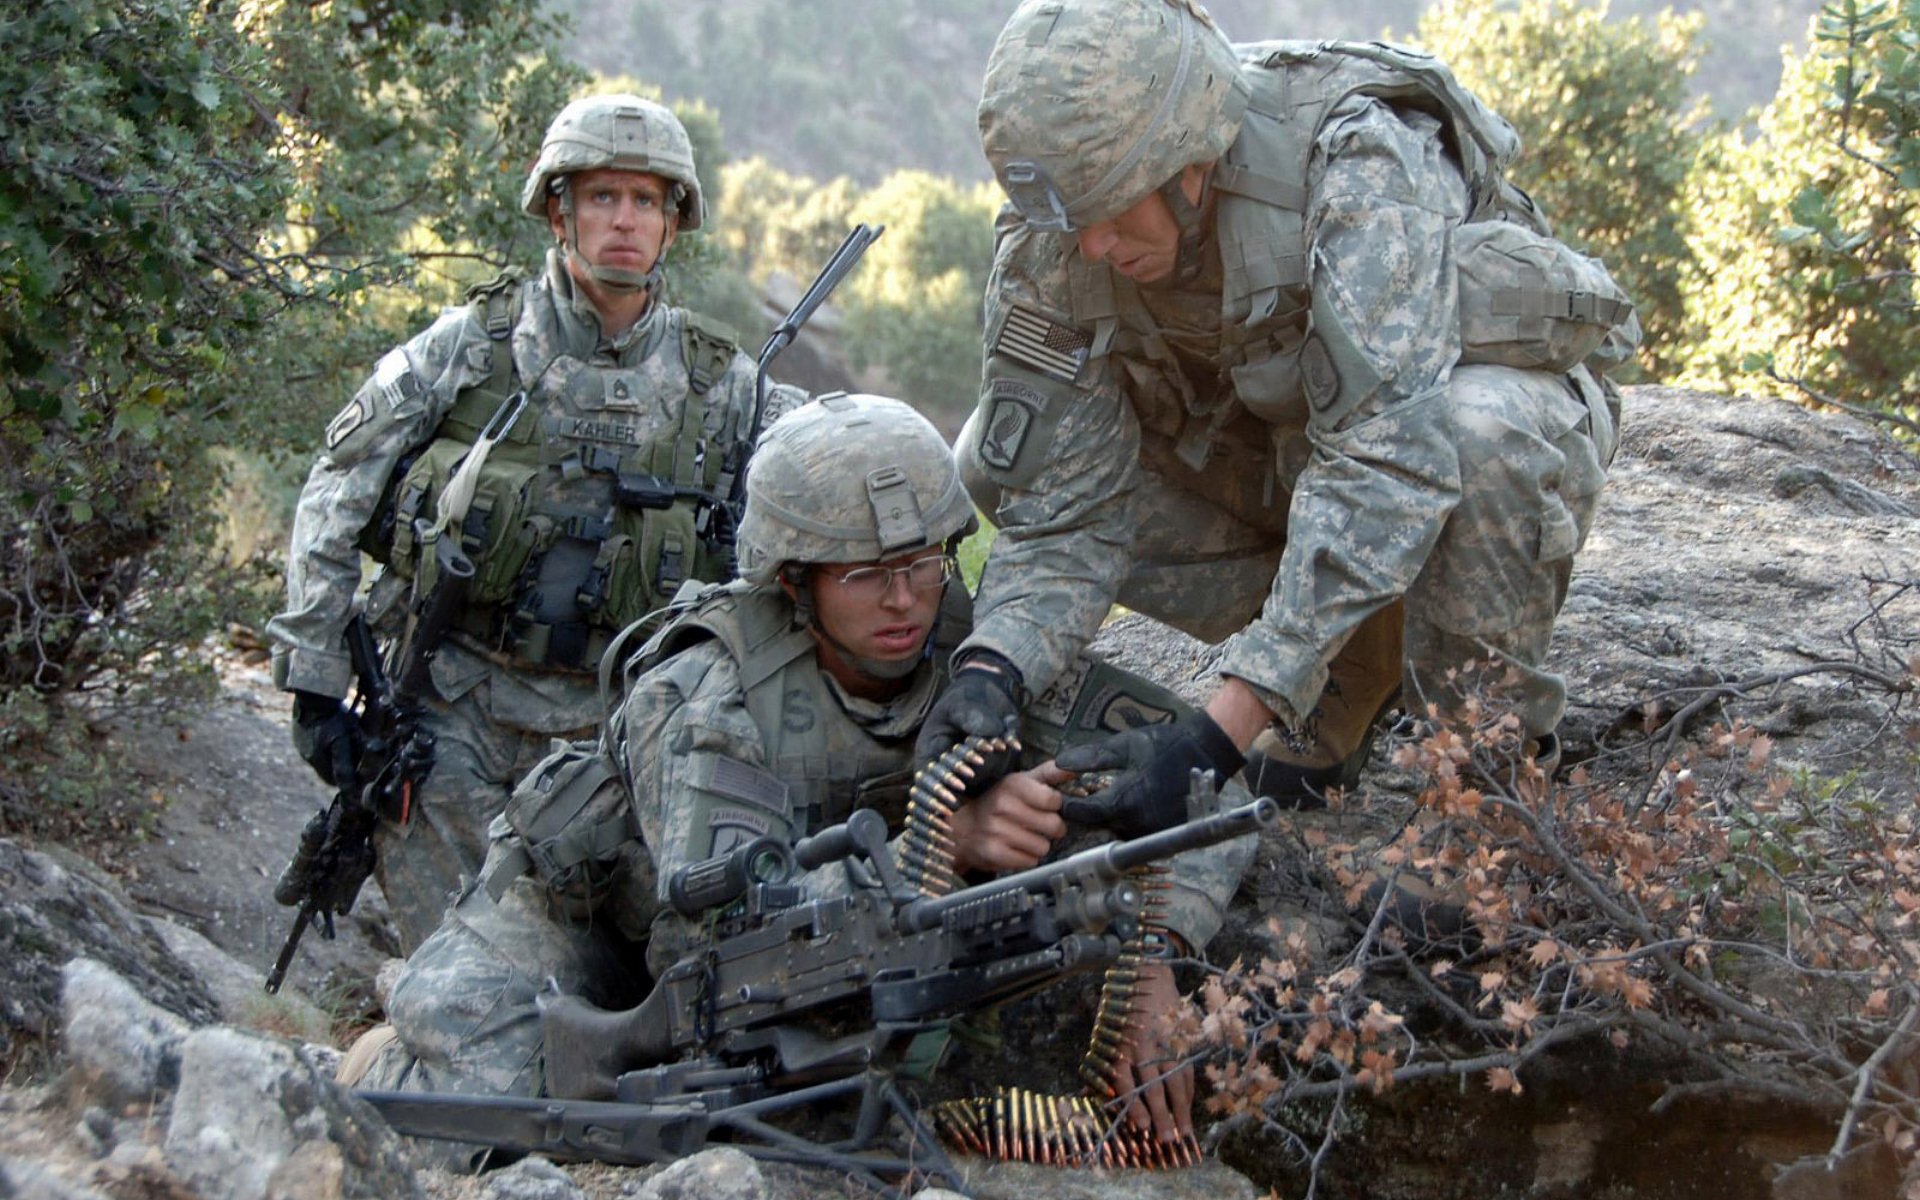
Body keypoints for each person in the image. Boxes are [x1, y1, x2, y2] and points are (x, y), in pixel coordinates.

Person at [346, 394, 1252, 1159]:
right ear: (793, 582)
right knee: (492, 1105)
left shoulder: (987, 659)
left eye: (921, 564)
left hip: (822, 952)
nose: (903, 602)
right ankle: (386, 1040)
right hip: (596, 915)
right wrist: (948, 840)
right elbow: (708, 933)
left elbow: (1205, 779)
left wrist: (1159, 960)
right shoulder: (707, 693)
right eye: (863, 575)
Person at [918, 0, 1637, 835]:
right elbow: (1060, 504)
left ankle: (1485, 781)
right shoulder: (1058, 239)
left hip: (1428, 435)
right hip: (1280, 453)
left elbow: (1388, 462)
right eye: (1073, 221)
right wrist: (992, 669)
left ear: (1191, 164)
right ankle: (1353, 668)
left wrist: (1216, 733)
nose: (1091, 249)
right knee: (986, 457)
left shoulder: (1358, 158)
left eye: (1112, 213)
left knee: (1482, 435)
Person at [267, 93, 803, 953]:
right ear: (559, 210)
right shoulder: (469, 347)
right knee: (458, 967)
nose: (624, 220)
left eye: (646, 200)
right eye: (601, 197)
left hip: (621, 733)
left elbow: (817, 492)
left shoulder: (729, 387)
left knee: (647, 965)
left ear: (674, 223)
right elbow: (337, 487)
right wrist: (314, 677)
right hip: (448, 716)